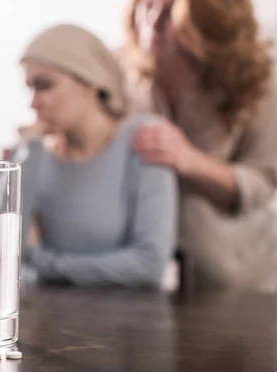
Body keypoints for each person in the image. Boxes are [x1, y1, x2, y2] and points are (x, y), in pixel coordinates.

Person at [121, 0, 277, 291]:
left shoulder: (256, 85)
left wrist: (190, 160)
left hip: (236, 277)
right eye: (146, 5)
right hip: (146, 277)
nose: (151, 21)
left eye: (169, 11)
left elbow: (263, 181)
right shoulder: (123, 78)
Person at [12, 23, 178, 288]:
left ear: (89, 83)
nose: (33, 103)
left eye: (44, 85)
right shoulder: (32, 153)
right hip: (48, 321)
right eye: (30, 88)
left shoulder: (143, 138)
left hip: (130, 323)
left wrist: (46, 263)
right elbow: (8, 255)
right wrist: (26, 155)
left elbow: (150, 263)